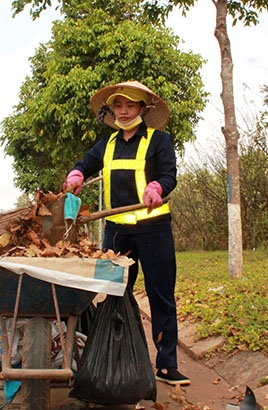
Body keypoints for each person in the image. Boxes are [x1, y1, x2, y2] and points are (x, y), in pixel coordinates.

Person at [64, 80, 190, 386]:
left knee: (161, 296)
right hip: (117, 234)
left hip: (153, 231)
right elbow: (86, 162)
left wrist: (157, 186)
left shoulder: (160, 141)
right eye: (117, 106)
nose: (122, 112)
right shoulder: (107, 144)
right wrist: (77, 174)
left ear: (143, 109)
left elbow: (169, 174)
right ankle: (116, 359)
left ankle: (166, 364)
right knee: (115, 295)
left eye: (129, 106)